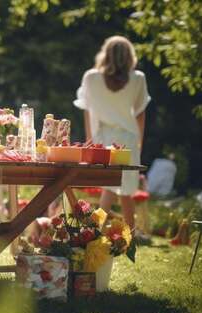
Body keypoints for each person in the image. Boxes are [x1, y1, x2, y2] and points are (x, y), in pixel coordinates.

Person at [74, 35, 151, 229]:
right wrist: (140, 141)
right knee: (127, 191)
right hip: (128, 139)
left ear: (105, 54)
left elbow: (87, 110)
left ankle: (95, 231)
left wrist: (89, 140)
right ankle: (128, 237)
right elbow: (140, 114)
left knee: (110, 188)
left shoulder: (91, 77)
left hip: (103, 137)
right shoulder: (138, 79)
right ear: (129, 56)